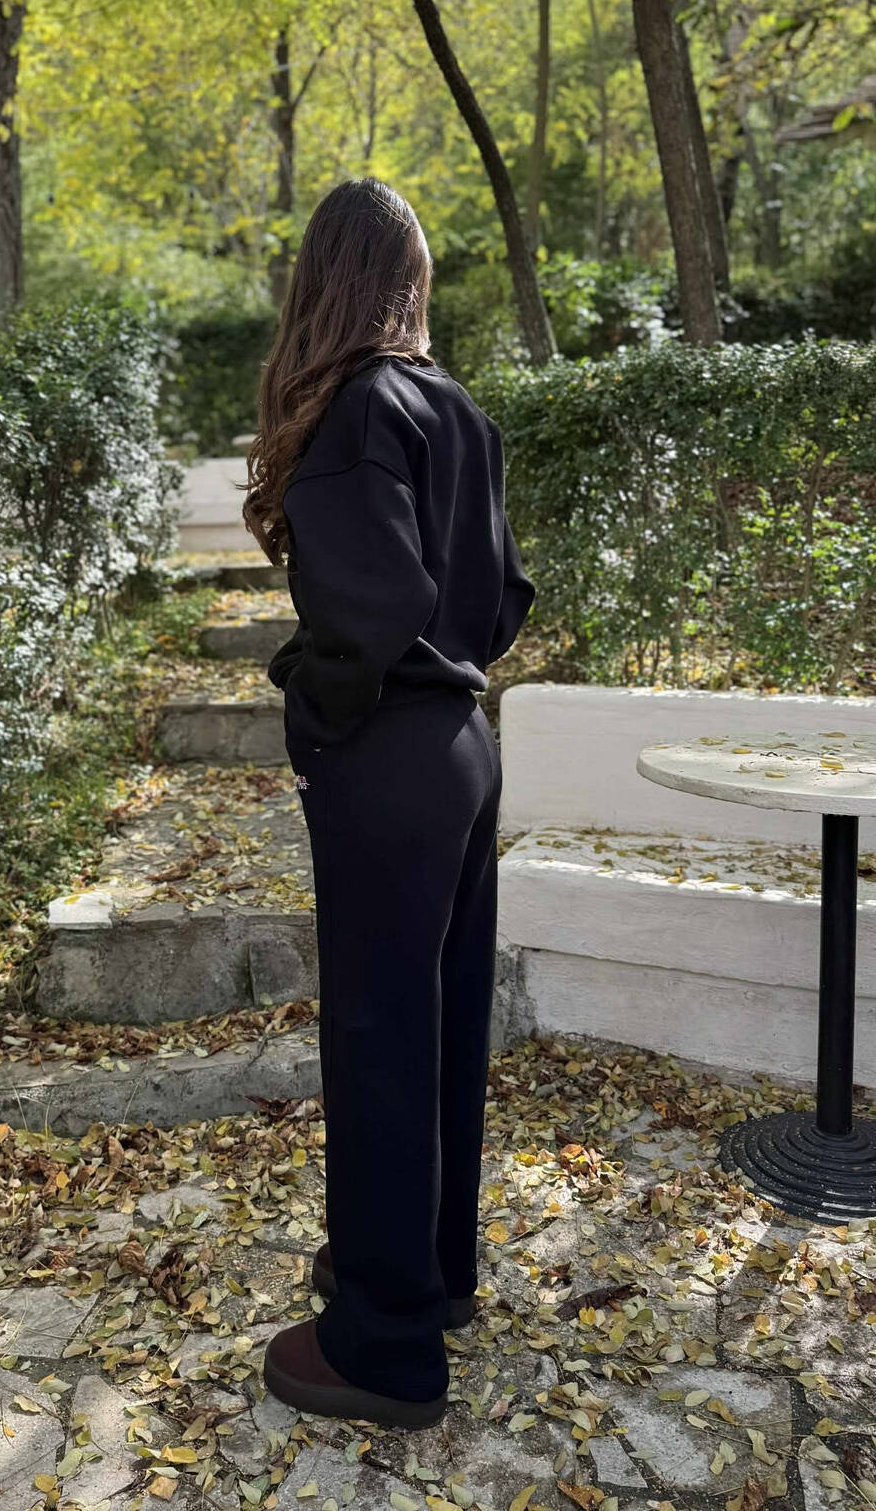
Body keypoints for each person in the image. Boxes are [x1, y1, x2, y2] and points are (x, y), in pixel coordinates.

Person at [242, 177, 535, 1431]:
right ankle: (432, 1275)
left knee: (377, 1036)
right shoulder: (452, 405)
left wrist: (311, 704)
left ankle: (384, 1346)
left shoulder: (358, 409)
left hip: (392, 756)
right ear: (406, 279)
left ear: (324, 281)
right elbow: (501, 599)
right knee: (441, 1024)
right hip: (465, 746)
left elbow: (367, 617)